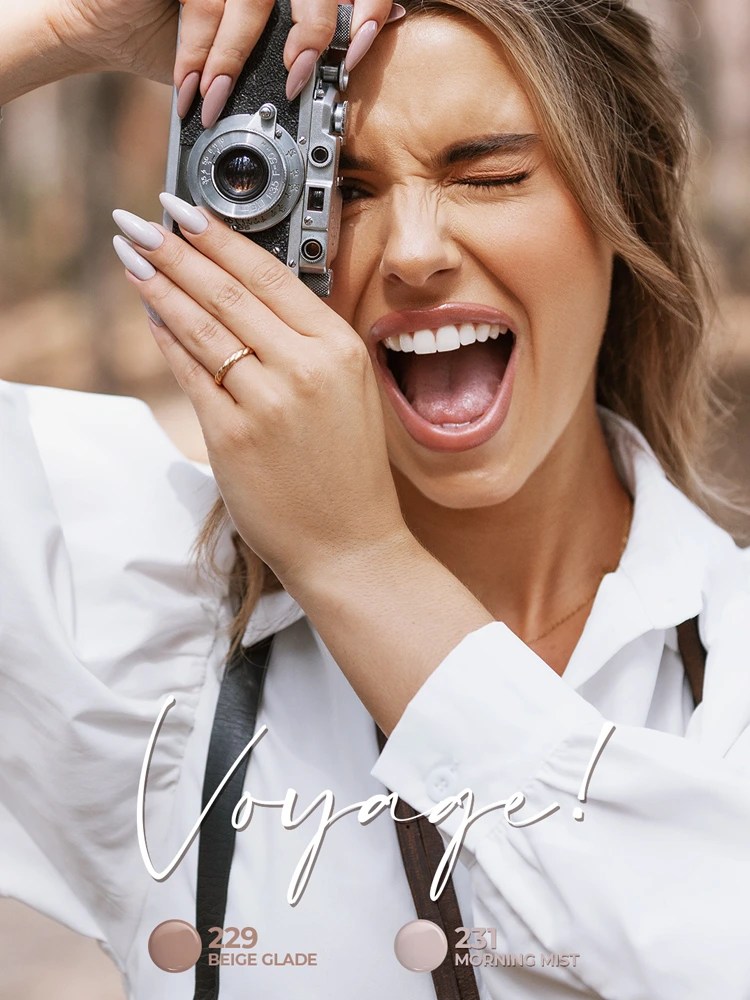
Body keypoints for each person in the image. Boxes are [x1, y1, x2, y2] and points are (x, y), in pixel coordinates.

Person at [1, 1, 749, 998]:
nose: (413, 251)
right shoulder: (156, 623)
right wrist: (65, 25)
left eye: (488, 173)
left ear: (627, 202)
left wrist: (360, 563)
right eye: (337, 187)